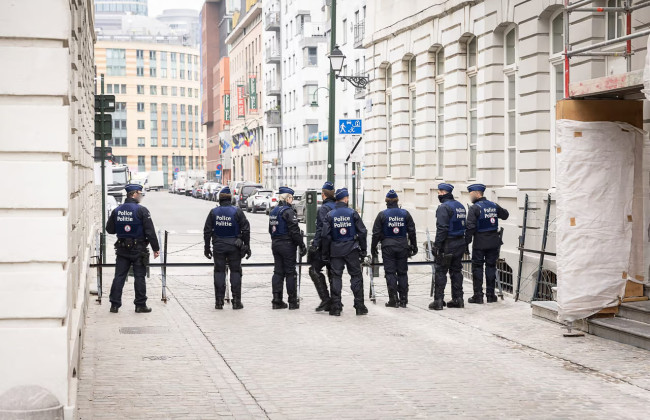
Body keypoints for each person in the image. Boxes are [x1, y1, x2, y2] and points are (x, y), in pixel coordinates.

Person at [106, 183, 160, 313]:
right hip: (138, 249)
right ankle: (140, 305)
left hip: (122, 248)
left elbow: (110, 229)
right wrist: (155, 248)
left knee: (119, 276)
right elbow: (150, 231)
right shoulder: (142, 210)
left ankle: (114, 305)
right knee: (139, 276)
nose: (141, 196)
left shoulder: (117, 210)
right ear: (135, 194)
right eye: (140, 194)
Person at [321, 188, 368, 316]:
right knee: (356, 276)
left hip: (336, 250)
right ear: (346, 198)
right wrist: (363, 250)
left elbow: (325, 236)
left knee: (336, 277)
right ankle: (359, 306)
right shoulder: (352, 213)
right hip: (352, 249)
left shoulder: (330, 215)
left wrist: (325, 253)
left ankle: (336, 307)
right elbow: (363, 232)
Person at [203, 186, 251, 310]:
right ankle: (236, 301)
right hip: (234, 246)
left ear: (219, 199)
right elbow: (246, 229)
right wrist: (247, 245)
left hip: (218, 246)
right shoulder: (237, 211)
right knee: (235, 272)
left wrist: (207, 247)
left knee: (219, 272)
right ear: (231, 199)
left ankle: (219, 302)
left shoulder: (214, 212)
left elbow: (207, 231)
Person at [371, 190, 417, 308]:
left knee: (390, 272)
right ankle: (403, 299)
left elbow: (376, 233)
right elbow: (412, 231)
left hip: (388, 246)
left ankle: (393, 299)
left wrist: (373, 248)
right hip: (402, 246)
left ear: (386, 201)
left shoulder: (382, 215)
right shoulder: (405, 214)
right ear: (397, 201)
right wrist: (414, 246)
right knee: (402, 273)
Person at [465, 183, 509, 304]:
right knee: (491, 267)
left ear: (476, 194)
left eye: (471, 194)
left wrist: (466, 242)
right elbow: (505, 215)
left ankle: (478, 296)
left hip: (480, 242)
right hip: (494, 241)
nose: (470, 197)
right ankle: (491, 295)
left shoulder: (475, 208)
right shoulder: (493, 205)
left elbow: (470, 227)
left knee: (477, 268)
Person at [428, 183, 467, 311]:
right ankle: (458, 299)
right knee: (456, 271)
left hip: (448, 243)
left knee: (441, 271)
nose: (438, 195)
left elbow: (442, 228)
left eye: (439, 193)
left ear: (443, 193)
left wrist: (437, 245)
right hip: (460, 242)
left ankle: (438, 301)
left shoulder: (443, 207)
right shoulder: (460, 206)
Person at [269, 187, 307, 309]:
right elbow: (294, 231)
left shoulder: (274, 211)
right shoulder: (288, 211)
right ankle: (292, 301)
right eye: (291, 198)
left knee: (278, 272)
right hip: (287, 245)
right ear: (288, 198)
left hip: (276, 244)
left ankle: (276, 300)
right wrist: (301, 244)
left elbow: (270, 230)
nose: (292, 200)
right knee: (290, 272)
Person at [308, 181, 337, 311]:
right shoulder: (338, 207)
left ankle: (326, 299)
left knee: (314, 270)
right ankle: (336, 302)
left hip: (325, 246)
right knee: (333, 273)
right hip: (338, 246)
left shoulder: (324, 209)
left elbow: (320, 229)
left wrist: (315, 245)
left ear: (324, 195)